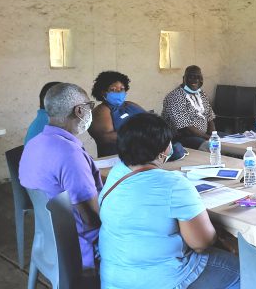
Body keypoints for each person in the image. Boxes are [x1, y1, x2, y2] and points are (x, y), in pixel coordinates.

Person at [98, 113, 240, 289]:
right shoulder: (173, 184)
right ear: (164, 149)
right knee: (245, 271)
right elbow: (201, 243)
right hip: (162, 279)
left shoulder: (117, 172)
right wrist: (223, 237)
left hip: (114, 279)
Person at [20, 83, 102, 269]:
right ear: (79, 111)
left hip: (51, 238)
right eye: (89, 106)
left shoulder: (35, 143)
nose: (90, 111)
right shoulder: (70, 154)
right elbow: (91, 218)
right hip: (79, 246)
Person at [88, 71, 146, 156]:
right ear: (103, 92)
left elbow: (150, 120)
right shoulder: (101, 111)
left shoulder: (130, 105)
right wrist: (140, 134)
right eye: (113, 89)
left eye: (121, 89)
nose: (118, 92)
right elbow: (106, 137)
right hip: (117, 159)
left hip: (141, 155)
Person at [162, 65, 218, 150]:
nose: (195, 80)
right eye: (191, 77)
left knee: (227, 141)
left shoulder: (201, 94)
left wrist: (213, 134)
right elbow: (185, 127)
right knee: (210, 146)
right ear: (184, 78)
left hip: (203, 135)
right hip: (182, 138)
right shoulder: (175, 96)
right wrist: (208, 137)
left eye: (199, 77)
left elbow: (209, 117)